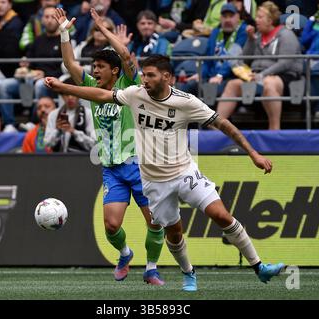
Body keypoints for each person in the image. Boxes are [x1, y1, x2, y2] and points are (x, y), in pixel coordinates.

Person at [44, 54, 285, 292]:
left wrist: (253, 153)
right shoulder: (136, 94)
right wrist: (62, 86)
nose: (145, 80)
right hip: (154, 182)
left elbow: (223, 124)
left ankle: (259, 266)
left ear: (167, 77)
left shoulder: (186, 102)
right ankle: (188, 273)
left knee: (221, 215)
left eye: (150, 75)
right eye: (144, 75)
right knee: (174, 232)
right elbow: (101, 95)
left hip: (184, 172)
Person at [54, 8, 165, 285]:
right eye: (93, 67)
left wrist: (104, 31)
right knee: (111, 226)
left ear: (113, 71)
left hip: (139, 165)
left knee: (155, 222)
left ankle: (151, 268)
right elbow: (69, 63)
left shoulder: (129, 84)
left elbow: (127, 58)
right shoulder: (92, 86)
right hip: (112, 168)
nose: (94, 71)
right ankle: (125, 253)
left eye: (100, 67)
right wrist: (64, 32)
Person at [216, 1, 303, 130]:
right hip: (257, 76)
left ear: (270, 20)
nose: (256, 20)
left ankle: (274, 129)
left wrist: (262, 75)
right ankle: (217, 127)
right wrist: (250, 39)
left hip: (284, 77)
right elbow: (244, 59)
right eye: (257, 17)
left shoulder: (286, 34)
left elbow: (285, 63)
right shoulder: (257, 36)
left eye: (260, 17)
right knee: (232, 85)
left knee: (269, 83)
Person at [181, 3, 248, 97]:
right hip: (212, 75)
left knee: (210, 91)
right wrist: (200, 75)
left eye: (231, 16)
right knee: (187, 86)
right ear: (220, 18)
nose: (228, 20)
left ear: (238, 17)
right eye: (225, 16)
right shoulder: (216, 32)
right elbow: (208, 58)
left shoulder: (243, 31)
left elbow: (234, 57)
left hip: (231, 76)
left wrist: (220, 75)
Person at [44, 77, 95, 152]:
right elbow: (47, 143)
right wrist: (57, 130)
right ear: (61, 95)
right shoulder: (53, 114)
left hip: (82, 160)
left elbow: (94, 145)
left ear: (79, 95)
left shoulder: (88, 114)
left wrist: (73, 132)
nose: (70, 97)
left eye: (73, 94)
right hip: (58, 159)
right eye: (66, 94)